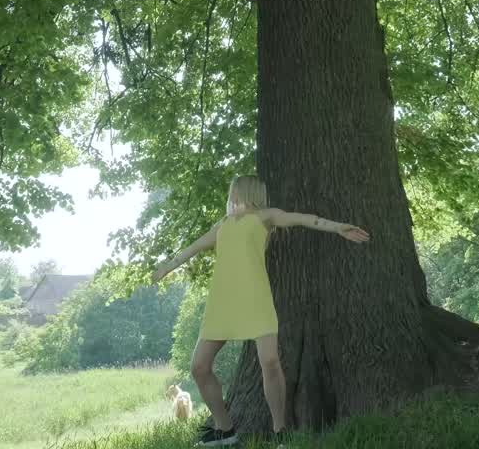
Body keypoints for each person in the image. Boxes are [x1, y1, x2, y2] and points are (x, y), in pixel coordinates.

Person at [151, 175, 371, 447]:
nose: (230, 196)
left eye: (233, 190)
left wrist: (338, 227)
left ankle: (281, 431)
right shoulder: (223, 225)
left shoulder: (266, 216)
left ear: (244, 191)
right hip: (222, 300)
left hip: (255, 297)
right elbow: (192, 248)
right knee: (199, 366)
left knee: (269, 361)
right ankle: (225, 431)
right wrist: (166, 267)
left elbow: (302, 218)